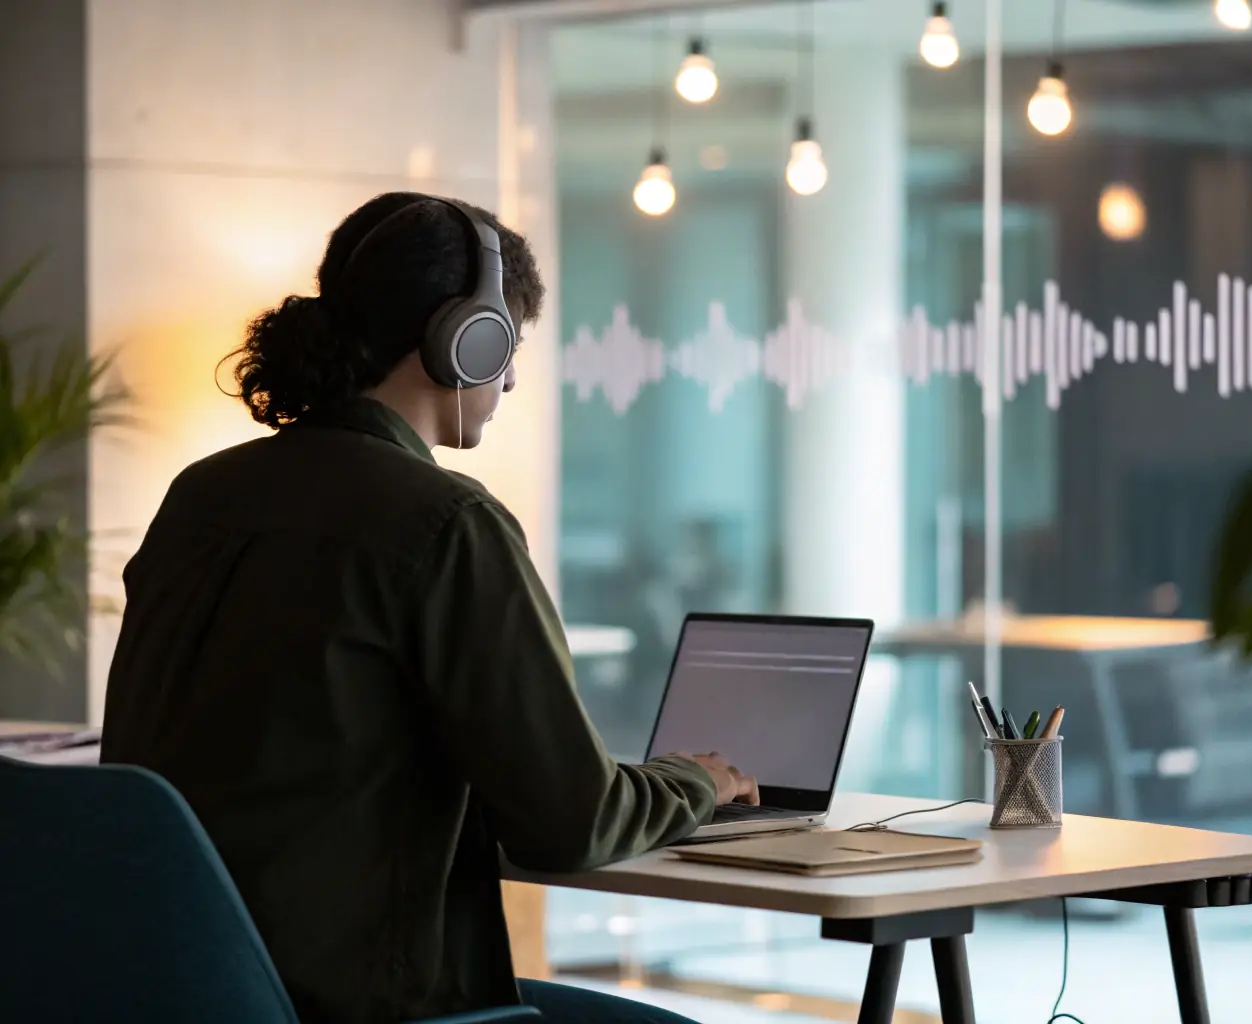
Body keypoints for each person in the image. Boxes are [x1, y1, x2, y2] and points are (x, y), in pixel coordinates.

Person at [99, 193, 758, 1024]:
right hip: (371, 1006)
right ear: (464, 339)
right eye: (507, 345)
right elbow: (572, 823)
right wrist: (692, 778)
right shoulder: (445, 522)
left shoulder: (202, 495)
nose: (511, 377)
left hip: (188, 992)